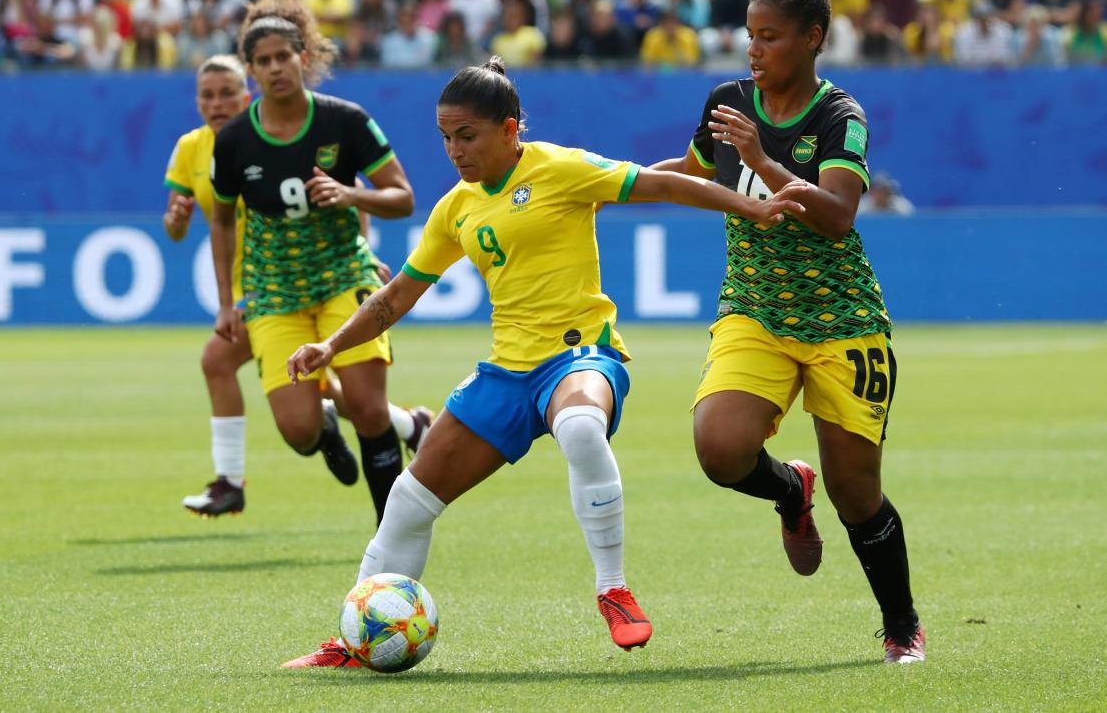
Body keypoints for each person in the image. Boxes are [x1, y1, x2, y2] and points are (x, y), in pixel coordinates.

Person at [280, 56, 807, 668]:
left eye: (467, 136)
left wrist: (754, 207)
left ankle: (613, 589)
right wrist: (330, 347)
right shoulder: (456, 208)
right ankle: (352, 642)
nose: (455, 150)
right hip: (508, 371)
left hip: (581, 356)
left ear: (510, 129)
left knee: (580, 425)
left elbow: (664, 184)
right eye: (446, 138)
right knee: (408, 498)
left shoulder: (563, 168)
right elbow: (397, 294)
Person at [653, 0, 925, 664]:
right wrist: (601, 180)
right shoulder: (727, 100)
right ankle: (787, 489)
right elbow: (692, 172)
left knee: (856, 491)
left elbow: (836, 215)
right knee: (718, 447)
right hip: (755, 308)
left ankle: (902, 626)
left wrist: (765, 161)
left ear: (813, 38)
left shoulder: (841, 116)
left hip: (843, 319)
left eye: (770, 36)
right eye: (749, 34)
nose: (754, 48)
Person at [165, 54, 434, 517]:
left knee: (336, 391)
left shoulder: (293, 132)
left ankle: (230, 481)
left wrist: (364, 254)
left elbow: (346, 193)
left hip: (320, 277)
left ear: (246, 91)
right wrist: (176, 223)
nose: (217, 102)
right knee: (298, 403)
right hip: (265, 290)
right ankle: (405, 424)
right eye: (207, 95)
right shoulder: (195, 148)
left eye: (227, 92)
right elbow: (204, 222)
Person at [209, 0, 420, 527]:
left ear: (304, 56)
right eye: (263, 61)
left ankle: (390, 540)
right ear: (251, 70)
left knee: (371, 411)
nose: (275, 68)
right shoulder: (233, 141)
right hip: (276, 292)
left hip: (343, 278)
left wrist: (354, 196)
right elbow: (222, 219)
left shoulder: (345, 121)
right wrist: (227, 302)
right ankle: (325, 425)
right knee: (298, 432)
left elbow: (403, 197)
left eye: (284, 56)